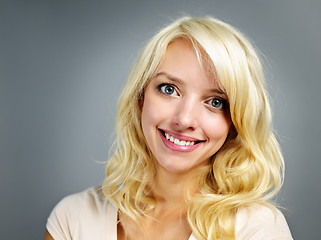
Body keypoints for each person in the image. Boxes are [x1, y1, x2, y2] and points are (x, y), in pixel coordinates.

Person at [44, 16, 293, 240]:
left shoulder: (258, 229)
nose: (184, 120)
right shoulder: (73, 217)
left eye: (215, 102)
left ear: (235, 123)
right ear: (140, 97)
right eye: (169, 89)